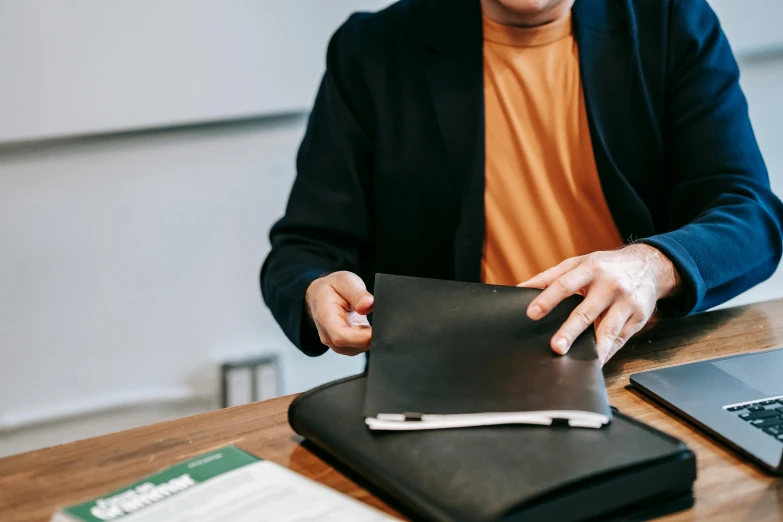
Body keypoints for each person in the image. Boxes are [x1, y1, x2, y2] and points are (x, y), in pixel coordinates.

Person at [261, 0, 783, 363]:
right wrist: (314, 290)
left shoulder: (670, 22)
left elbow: (750, 215)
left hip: (634, 359)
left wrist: (653, 265)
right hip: (446, 372)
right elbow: (303, 248)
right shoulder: (373, 49)